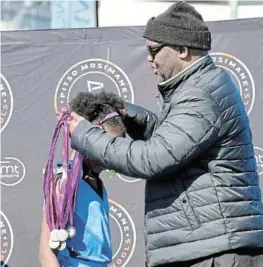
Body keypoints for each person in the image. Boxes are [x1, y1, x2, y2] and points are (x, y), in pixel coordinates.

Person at [68, 2, 263, 267]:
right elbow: (177, 144)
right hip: (207, 246)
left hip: (213, 252)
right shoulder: (199, 87)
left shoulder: (201, 94)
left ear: (182, 50)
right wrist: (132, 117)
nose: (149, 58)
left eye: (153, 50)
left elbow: (153, 158)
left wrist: (84, 134)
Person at [39, 91, 126, 267]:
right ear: (89, 139)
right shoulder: (65, 183)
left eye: (116, 146)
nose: (112, 152)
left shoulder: (97, 184)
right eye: (108, 144)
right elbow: (46, 253)